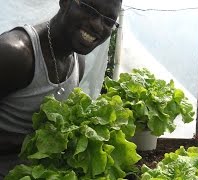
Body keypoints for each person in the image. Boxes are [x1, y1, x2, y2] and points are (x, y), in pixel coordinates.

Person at [0, 0, 122, 177]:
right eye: (89, 9)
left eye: (109, 21)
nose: (97, 25)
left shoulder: (77, 62)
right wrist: (41, 140)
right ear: (64, 2)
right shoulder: (15, 54)